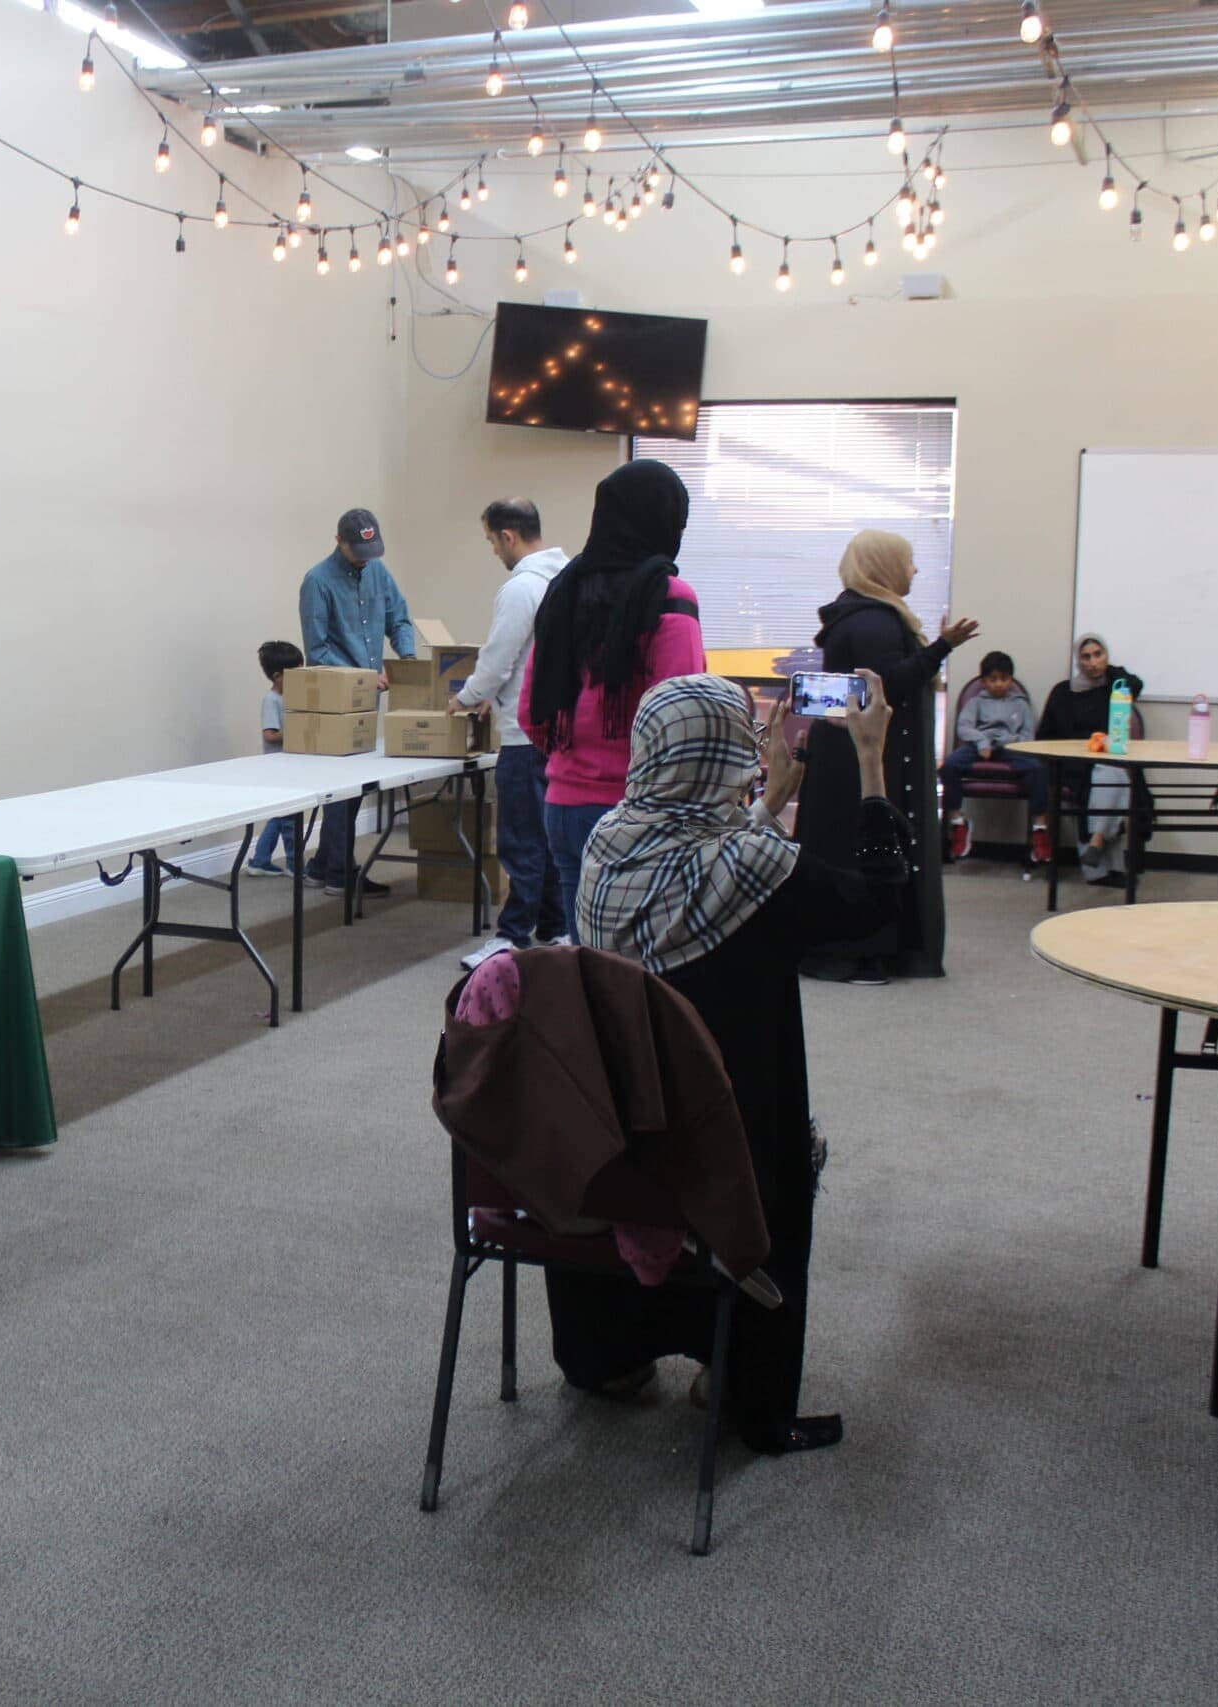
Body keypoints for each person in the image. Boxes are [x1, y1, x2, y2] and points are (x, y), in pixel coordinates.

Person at [556, 670, 911, 1453]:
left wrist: (765, 806)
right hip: (727, 1155)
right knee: (775, 1156)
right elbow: (881, 904)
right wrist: (871, 761)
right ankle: (740, 1380)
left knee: (652, 1137)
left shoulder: (606, 844)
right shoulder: (757, 868)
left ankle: (610, 1356)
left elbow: (693, 860)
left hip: (614, 1138)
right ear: (725, 753)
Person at [519, 460, 707, 921]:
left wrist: (578, 760)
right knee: (637, 959)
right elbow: (681, 719)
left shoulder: (564, 591)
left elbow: (531, 713)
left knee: (585, 956)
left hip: (563, 805)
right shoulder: (668, 597)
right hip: (638, 813)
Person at [798, 530, 976, 982]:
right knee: (863, 852)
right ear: (883, 565)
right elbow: (888, 686)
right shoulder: (873, 620)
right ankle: (860, 953)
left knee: (849, 847)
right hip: (860, 760)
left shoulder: (859, 613)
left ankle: (863, 951)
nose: (914, 570)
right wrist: (942, 647)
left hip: (849, 755)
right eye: (908, 560)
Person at [451, 498, 569, 969]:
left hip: (523, 735)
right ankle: (555, 926)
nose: (493, 551)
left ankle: (512, 935)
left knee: (521, 839)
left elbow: (500, 656)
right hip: (556, 731)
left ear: (508, 536)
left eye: (491, 541)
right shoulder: (564, 578)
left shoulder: (521, 588)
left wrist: (466, 696)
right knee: (548, 836)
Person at [298, 508, 416, 898]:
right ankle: (338, 873)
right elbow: (317, 651)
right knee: (342, 788)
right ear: (339, 541)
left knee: (355, 786)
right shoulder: (318, 581)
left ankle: (321, 865)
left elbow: (399, 618)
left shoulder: (378, 572)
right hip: (336, 700)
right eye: (358, 551)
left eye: (371, 550)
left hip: (370, 697)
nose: (365, 559)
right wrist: (363, 676)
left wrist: (407, 658)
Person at [1035, 633, 1149, 887]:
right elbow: (1044, 735)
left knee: (1111, 775)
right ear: (1078, 661)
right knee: (1113, 778)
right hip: (1071, 763)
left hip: (1105, 759)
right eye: (1086, 657)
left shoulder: (1114, 689)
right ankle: (1106, 861)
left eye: (1099, 655)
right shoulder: (1063, 692)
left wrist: (1111, 671)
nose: (1093, 662)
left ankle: (1097, 854)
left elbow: (1136, 685)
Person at [937, 649, 1051, 864]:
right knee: (950, 765)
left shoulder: (1020, 704)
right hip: (980, 747)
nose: (999, 684)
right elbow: (964, 728)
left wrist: (1007, 741)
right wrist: (982, 741)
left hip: (1011, 748)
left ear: (1011, 680)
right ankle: (958, 822)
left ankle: (1039, 828)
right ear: (983, 681)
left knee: (1038, 769)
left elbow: (1028, 736)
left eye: (1004, 679)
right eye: (993, 679)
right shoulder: (976, 702)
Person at [248, 640, 306, 877]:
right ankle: (295, 864)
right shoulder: (271, 700)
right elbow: (270, 735)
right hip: (279, 767)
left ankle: (259, 861)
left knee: (280, 817)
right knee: (290, 819)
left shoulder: (293, 696)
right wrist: (299, 729)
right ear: (277, 676)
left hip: (292, 764)